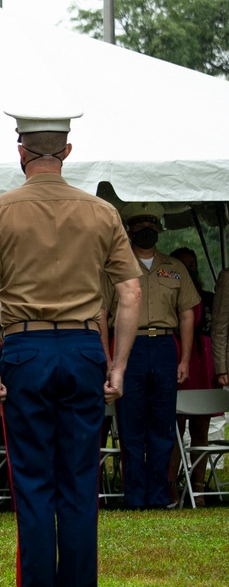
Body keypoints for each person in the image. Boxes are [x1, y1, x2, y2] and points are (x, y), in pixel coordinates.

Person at [0, 110, 141, 587]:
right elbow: (130, 292)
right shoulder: (102, 212)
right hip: (85, 348)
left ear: (21, 152)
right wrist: (120, 365)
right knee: (80, 486)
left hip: (26, 350)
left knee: (35, 485)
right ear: (67, 151)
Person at [102, 203, 199, 510]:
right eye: (141, 229)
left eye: (152, 229)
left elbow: (187, 315)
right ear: (129, 231)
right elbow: (101, 316)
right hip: (128, 349)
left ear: (158, 230)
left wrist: (184, 360)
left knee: (163, 426)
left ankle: (158, 496)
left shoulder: (175, 267)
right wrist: (109, 360)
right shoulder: (115, 266)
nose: (147, 234)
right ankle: (134, 497)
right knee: (130, 427)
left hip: (164, 348)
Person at [168, 247, 215, 505]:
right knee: (176, 428)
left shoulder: (208, 297)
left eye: (193, 264)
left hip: (203, 363)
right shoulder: (170, 296)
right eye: (184, 265)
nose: (191, 269)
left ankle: (199, 487)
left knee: (201, 430)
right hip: (179, 361)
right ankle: (171, 483)